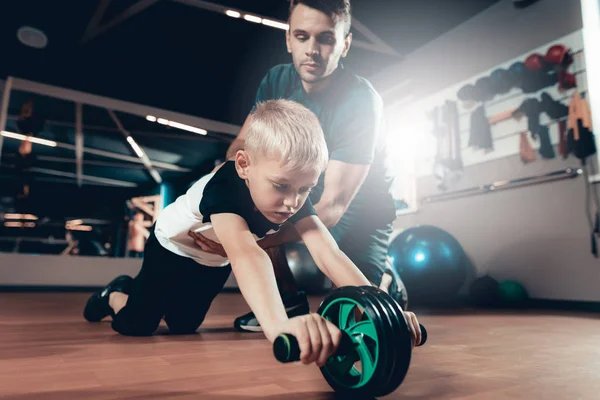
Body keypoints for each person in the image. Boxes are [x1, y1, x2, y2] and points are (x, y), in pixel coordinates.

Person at [83, 100, 422, 367]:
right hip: (172, 248)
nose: (293, 202)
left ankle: (146, 299)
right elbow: (247, 252)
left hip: (212, 261)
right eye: (282, 186)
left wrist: (384, 309)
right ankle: (115, 292)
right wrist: (279, 327)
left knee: (184, 325)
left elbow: (328, 253)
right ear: (244, 165)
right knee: (136, 326)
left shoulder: (294, 193)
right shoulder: (227, 186)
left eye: (306, 188)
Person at [188, 0, 406, 333]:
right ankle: (288, 297)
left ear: (345, 44)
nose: (312, 50)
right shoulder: (277, 80)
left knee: (354, 320)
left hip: (359, 211)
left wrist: (246, 243)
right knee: (258, 195)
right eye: (302, 36)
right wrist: (235, 205)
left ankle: (387, 278)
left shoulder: (362, 101)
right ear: (288, 39)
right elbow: (240, 150)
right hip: (303, 195)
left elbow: (333, 207)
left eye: (326, 39)